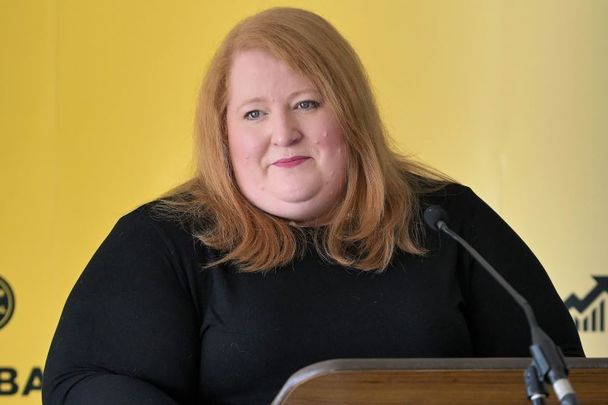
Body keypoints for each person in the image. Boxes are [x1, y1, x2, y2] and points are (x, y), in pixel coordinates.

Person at [42, 7, 583, 405]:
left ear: (349, 114)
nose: (283, 133)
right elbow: (84, 384)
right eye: (254, 114)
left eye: (306, 104)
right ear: (223, 133)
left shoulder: (446, 222)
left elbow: (561, 375)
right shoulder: (164, 240)